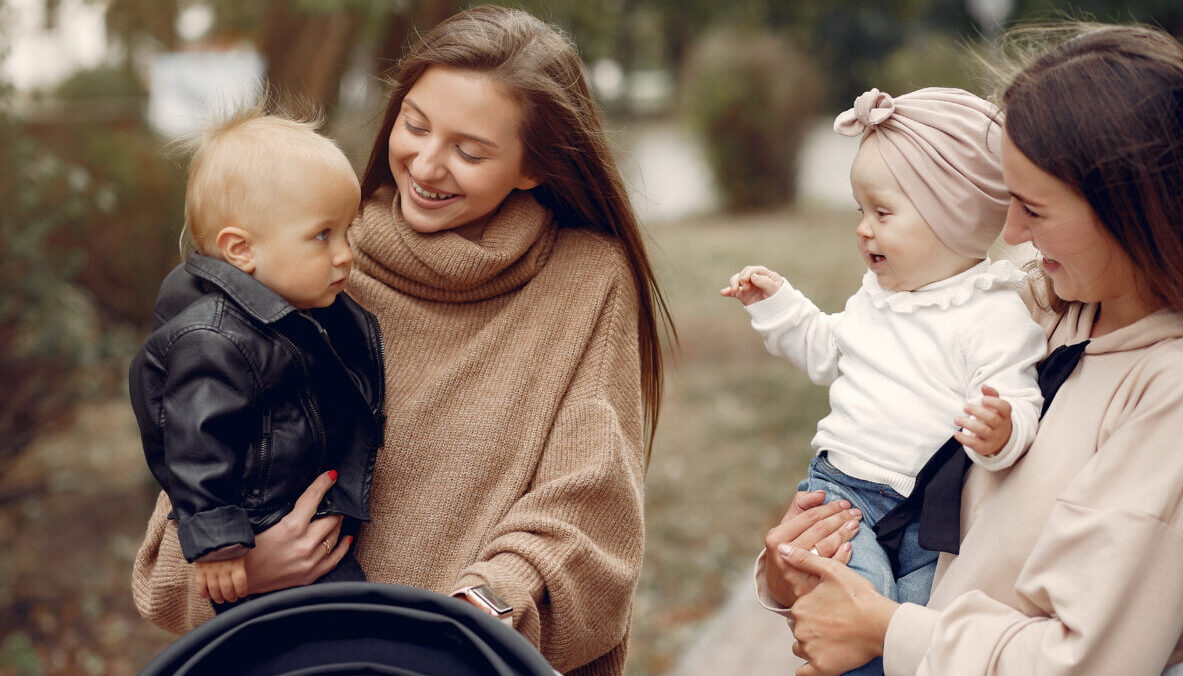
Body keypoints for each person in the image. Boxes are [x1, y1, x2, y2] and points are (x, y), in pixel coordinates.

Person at [131, 6, 672, 675]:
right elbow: (179, 529)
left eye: (470, 151)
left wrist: (481, 612)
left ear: (532, 166)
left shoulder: (586, 281)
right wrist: (250, 565)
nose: (426, 163)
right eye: (414, 126)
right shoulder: (307, 266)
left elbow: (590, 507)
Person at [758, 22, 1183, 676]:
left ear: (1129, 206)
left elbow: (1086, 660)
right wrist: (791, 569)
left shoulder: (1175, 393)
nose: (1010, 231)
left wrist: (886, 630)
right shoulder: (1044, 309)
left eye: (1032, 209)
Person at [722, 87, 1046, 671]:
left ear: (953, 215)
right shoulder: (879, 297)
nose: (862, 230)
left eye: (882, 213)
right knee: (857, 611)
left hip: (932, 514)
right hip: (843, 494)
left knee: (915, 626)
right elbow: (828, 352)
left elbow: (1016, 397)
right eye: (859, 211)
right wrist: (779, 305)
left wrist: (1003, 432)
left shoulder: (994, 313)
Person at [128, 106, 383, 611]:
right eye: (322, 236)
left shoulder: (296, 311)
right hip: (258, 528)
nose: (346, 254)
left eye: (347, 232)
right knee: (352, 631)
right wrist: (220, 544)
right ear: (241, 251)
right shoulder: (215, 338)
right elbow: (195, 444)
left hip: (293, 524)